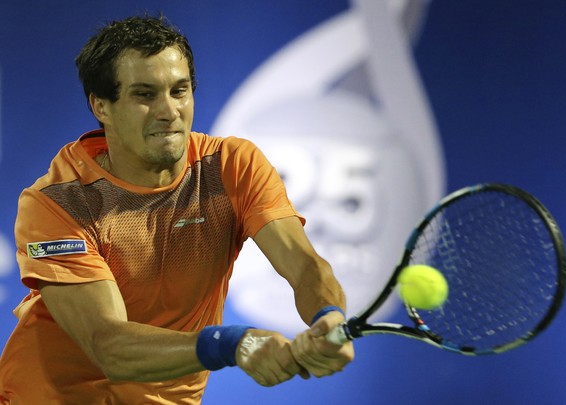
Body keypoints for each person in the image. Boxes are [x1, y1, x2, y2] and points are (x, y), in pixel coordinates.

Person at [0, 15, 354, 404]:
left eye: (179, 91)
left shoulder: (232, 166)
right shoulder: (57, 201)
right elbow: (108, 344)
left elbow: (304, 265)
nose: (169, 111)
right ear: (101, 106)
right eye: (145, 95)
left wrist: (328, 317)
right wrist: (231, 343)